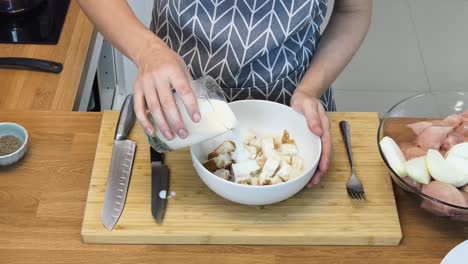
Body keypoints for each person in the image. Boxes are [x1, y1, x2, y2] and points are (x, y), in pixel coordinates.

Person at [77, 0, 372, 187]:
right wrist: (146, 50)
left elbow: (353, 10)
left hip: (293, 104)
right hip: (179, 113)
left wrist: (310, 90)